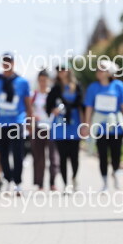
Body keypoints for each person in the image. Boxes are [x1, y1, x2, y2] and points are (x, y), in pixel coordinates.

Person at [0, 52, 32, 195]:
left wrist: (30, 122)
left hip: (17, 122)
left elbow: (28, 104)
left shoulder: (23, 82)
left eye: (9, 61)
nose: (7, 64)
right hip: (0, 123)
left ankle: (18, 182)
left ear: (13, 63)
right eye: (4, 61)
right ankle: (8, 178)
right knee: (2, 154)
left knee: (18, 153)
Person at [84, 60, 123, 191]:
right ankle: (104, 182)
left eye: (102, 69)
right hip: (100, 127)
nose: (99, 71)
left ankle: (116, 173)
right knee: (102, 155)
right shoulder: (93, 87)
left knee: (116, 154)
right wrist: (87, 124)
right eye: (98, 69)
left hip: (116, 125)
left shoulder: (118, 85)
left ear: (109, 72)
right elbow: (89, 106)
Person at [46, 64, 84, 192]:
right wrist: (54, 110)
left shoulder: (77, 86)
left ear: (68, 71)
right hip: (59, 126)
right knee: (62, 157)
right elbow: (48, 106)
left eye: (63, 69)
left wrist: (84, 125)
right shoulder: (55, 88)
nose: (61, 72)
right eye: (58, 70)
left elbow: (82, 107)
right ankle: (66, 184)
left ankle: (74, 177)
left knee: (74, 156)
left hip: (74, 124)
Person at [30, 70, 60, 191]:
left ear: (49, 81)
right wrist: (32, 116)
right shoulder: (34, 95)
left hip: (52, 127)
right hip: (38, 127)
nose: (43, 83)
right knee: (39, 156)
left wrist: (56, 111)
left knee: (54, 156)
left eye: (45, 80)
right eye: (41, 80)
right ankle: (40, 183)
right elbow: (29, 110)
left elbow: (60, 107)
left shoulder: (53, 94)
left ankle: (52, 181)